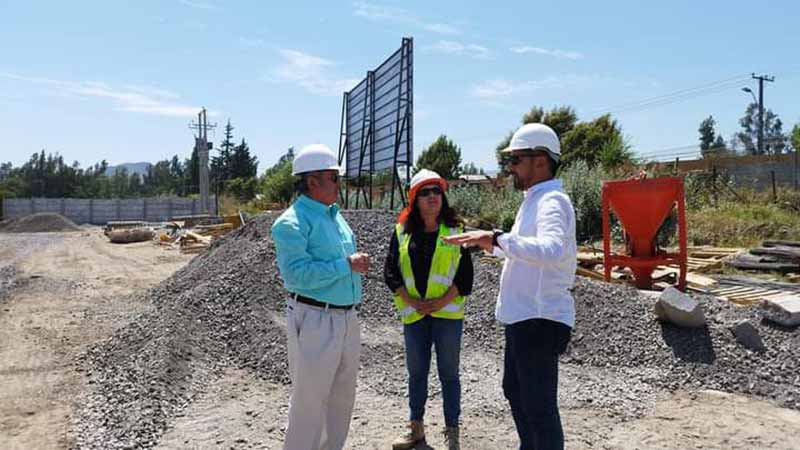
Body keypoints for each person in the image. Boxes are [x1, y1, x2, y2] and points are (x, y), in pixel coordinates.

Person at [443, 124, 577, 450]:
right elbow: (525, 247)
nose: (511, 167)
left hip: (539, 318)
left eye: (517, 160)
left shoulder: (552, 202)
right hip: (525, 317)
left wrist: (495, 239)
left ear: (541, 161)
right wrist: (489, 242)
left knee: (539, 407)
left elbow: (551, 249)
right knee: (515, 390)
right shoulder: (534, 199)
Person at [271, 143, 371, 450]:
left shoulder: (334, 217)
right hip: (315, 318)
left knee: (342, 397)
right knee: (309, 401)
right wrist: (346, 265)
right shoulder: (290, 223)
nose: (339, 184)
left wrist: (350, 267)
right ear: (313, 181)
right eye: (334, 178)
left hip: (346, 316)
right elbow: (296, 276)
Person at [384, 169, 474, 450]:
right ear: (414, 199)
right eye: (425, 192)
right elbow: (390, 273)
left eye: (437, 191)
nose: (433, 196)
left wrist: (441, 301)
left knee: (449, 374)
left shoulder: (457, 230)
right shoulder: (401, 232)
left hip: (447, 316)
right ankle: (416, 430)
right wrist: (412, 301)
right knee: (417, 374)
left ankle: (452, 435)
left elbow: (466, 277)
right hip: (414, 316)